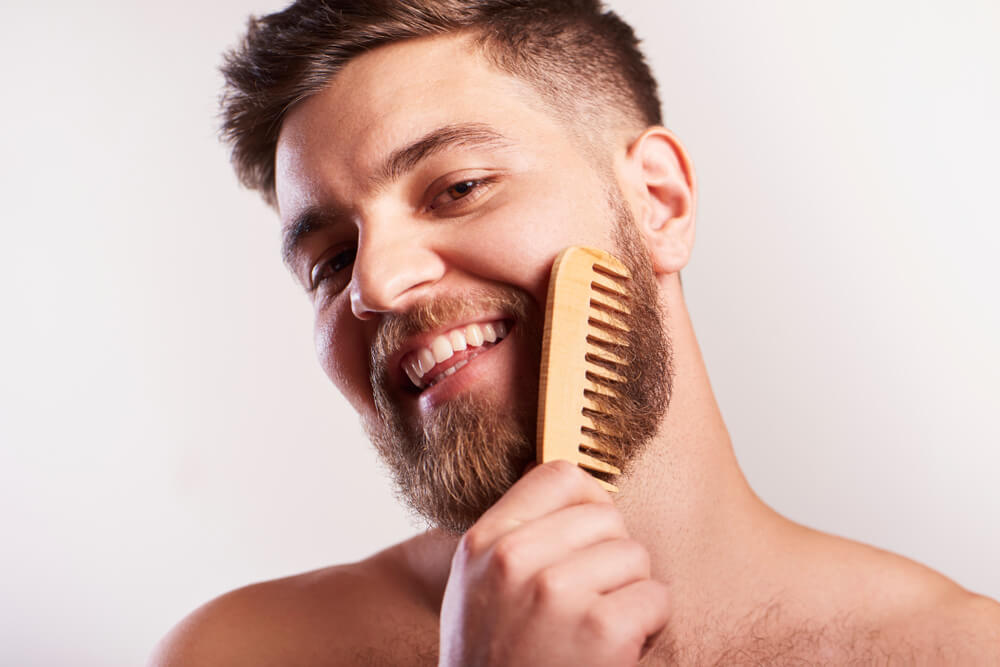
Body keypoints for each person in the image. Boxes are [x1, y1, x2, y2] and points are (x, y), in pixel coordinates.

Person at [151, 1, 1000, 664]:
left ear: (657, 202)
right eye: (332, 260)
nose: (374, 285)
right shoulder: (240, 654)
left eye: (459, 187)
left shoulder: (960, 653)